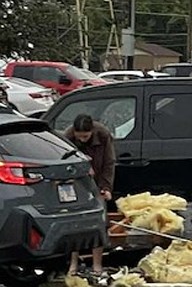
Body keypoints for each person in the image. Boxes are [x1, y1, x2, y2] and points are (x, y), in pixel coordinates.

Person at [64, 114, 116, 276]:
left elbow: (109, 162)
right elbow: (63, 160)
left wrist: (106, 187)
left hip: (97, 183)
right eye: (79, 137)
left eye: (86, 137)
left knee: (98, 223)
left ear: (92, 131)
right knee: (74, 223)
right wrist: (82, 164)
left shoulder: (103, 134)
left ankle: (97, 265)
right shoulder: (67, 137)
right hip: (75, 183)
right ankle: (73, 263)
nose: (83, 140)